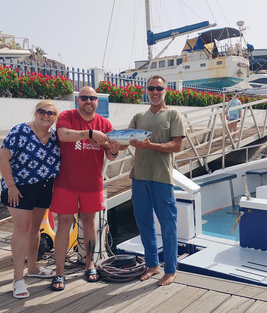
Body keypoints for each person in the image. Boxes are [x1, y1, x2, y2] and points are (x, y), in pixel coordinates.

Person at [49, 86, 120, 291]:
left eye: (93, 98)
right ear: (77, 101)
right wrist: (90, 133)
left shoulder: (105, 123)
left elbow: (110, 154)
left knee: (89, 223)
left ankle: (90, 265)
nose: (89, 101)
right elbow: (63, 135)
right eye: (84, 98)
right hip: (66, 183)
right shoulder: (67, 116)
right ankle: (59, 272)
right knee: (64, 225)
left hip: (92, 184)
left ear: (97, 102)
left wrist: (114, 151)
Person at [0, 100, 61, 299]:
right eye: (42, 111)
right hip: (20, 187)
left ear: (55, 117)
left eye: (51, 113)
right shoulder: (20, 131)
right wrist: (11, 187)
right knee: (22, 228)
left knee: (35, 228)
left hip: (43, 186)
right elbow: (2, 158)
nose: (46, 115)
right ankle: (18, 278)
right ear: (35, 112)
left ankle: (33, 267)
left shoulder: (54, 136)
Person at [127, 75, 185, 286]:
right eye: (151, 88)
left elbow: (177, 146)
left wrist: (150, 146)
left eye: (158, 88)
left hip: (161, 178)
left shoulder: (173, 114)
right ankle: (153, 264)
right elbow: (127, 140)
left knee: (168, 224)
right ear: (147, 90)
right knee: (144, 224)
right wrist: (112, 143)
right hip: (139, 177)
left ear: (165, 90)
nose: (154, 92)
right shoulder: (138, 116)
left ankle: (170, 269)